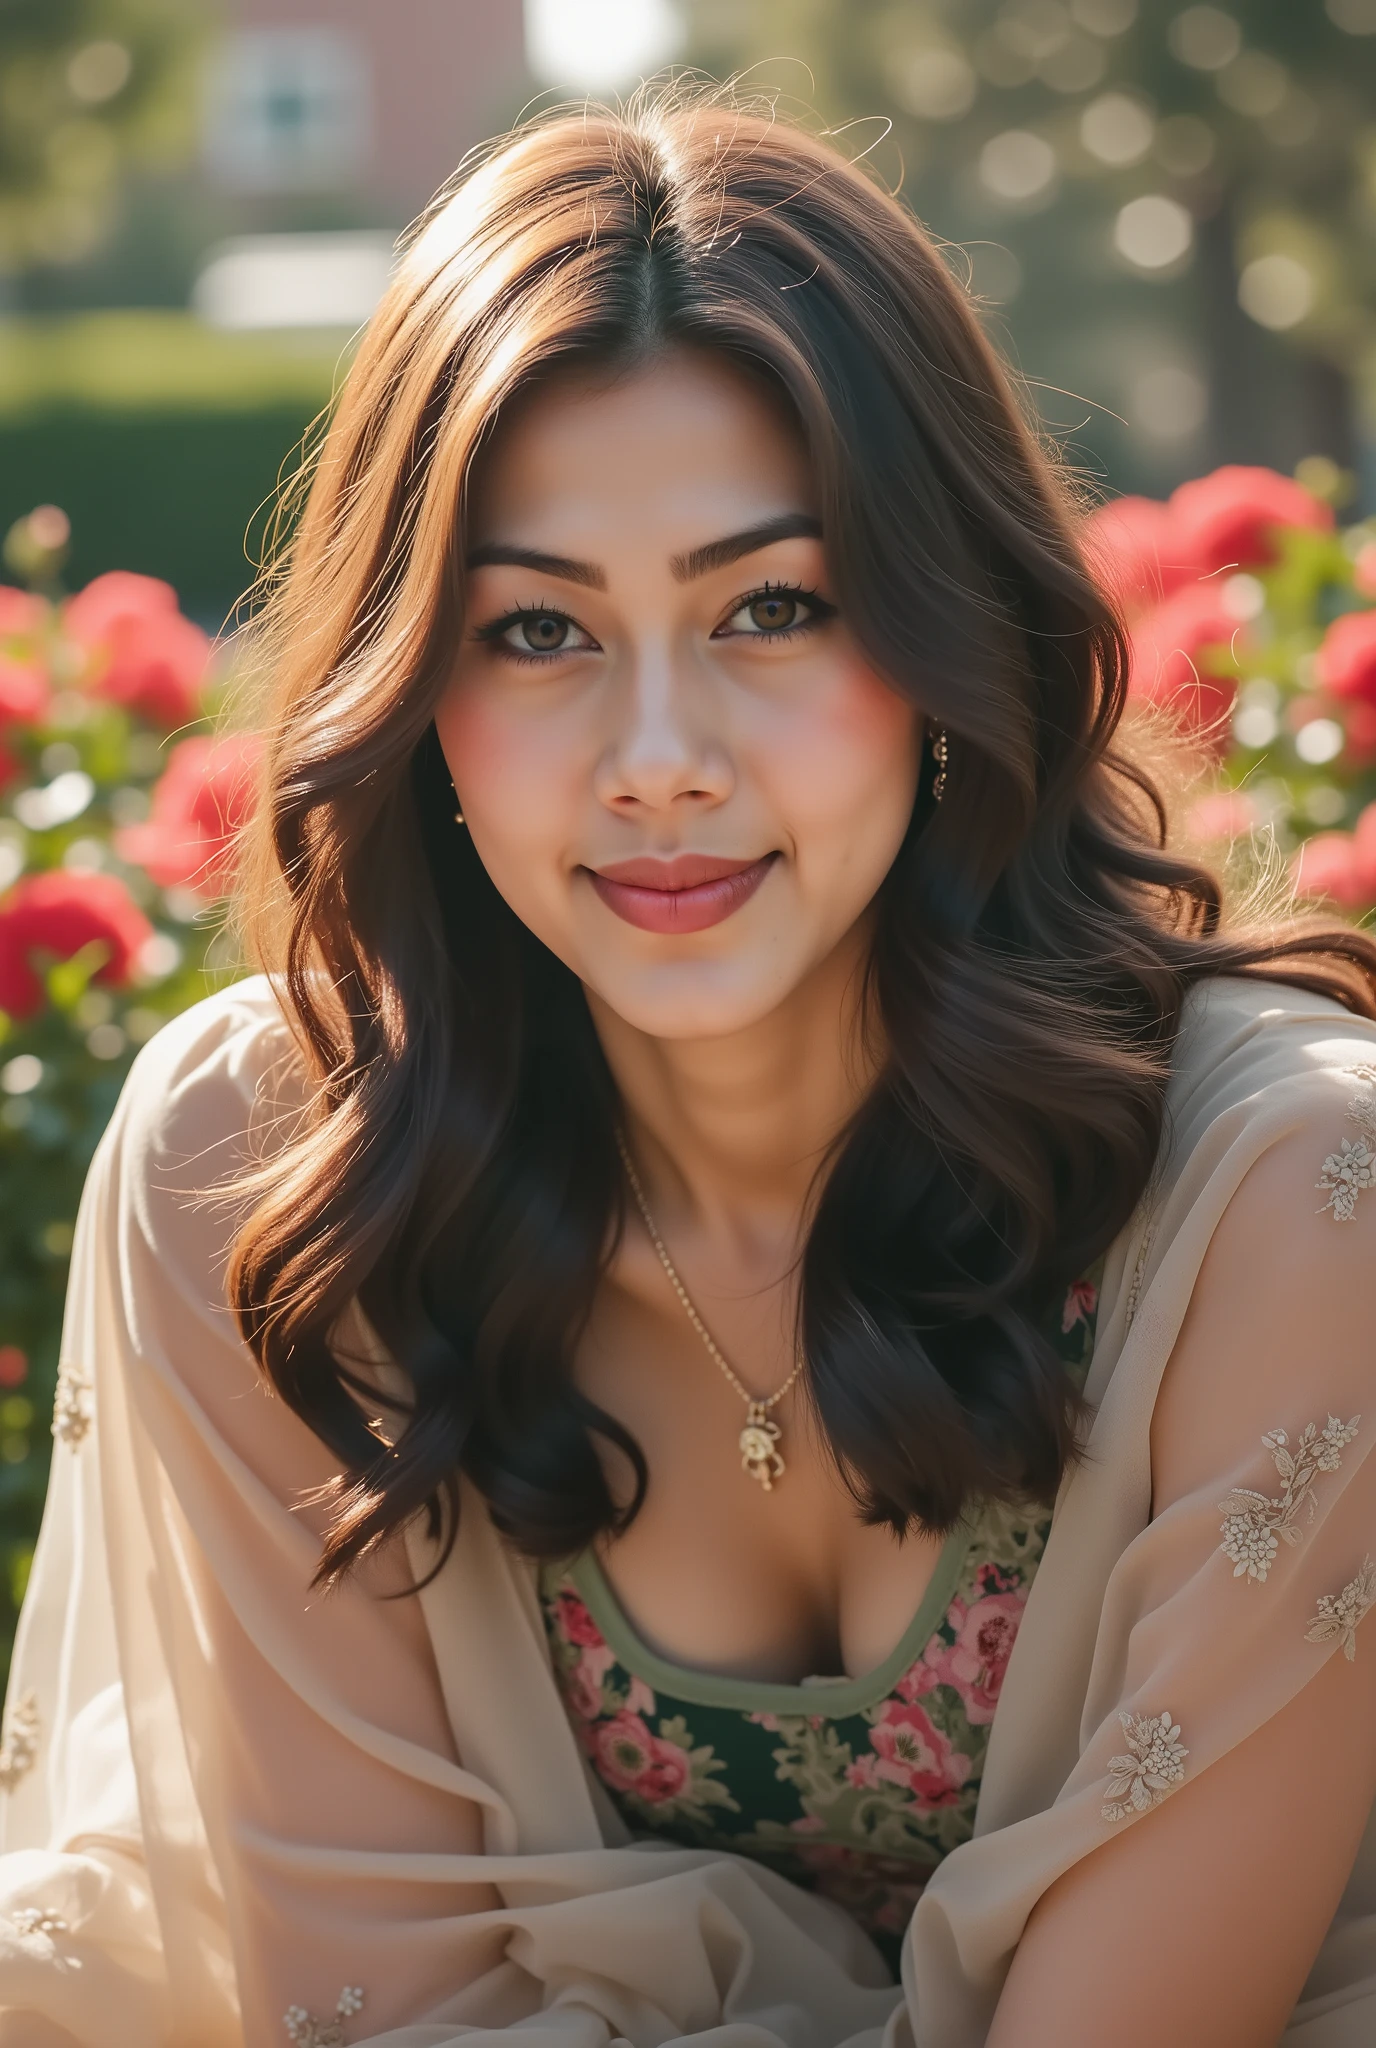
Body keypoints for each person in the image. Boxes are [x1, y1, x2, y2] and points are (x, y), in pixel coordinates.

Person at [2, 87, 1376, 2048]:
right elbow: (384, 2008)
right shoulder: (270, 1175)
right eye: (539, 629)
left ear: (946, 632)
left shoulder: (1287, 1203)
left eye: (772, 608)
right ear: (414, 695)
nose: (658, 752)